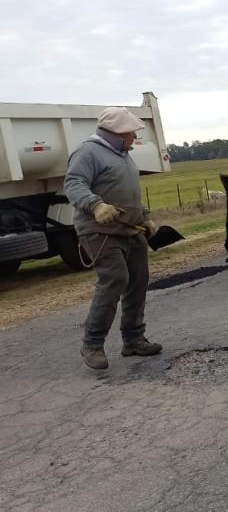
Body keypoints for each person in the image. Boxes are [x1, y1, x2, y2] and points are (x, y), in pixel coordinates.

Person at [64, 107, 162, 370]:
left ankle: (133, 340)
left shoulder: (123, 155)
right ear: (117, 132)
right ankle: (92, 344)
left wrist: (145, 217)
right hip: (99, 231)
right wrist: (96, 206)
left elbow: (129, 193)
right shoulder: (88, 152)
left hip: (130, 229)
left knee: (138, 279)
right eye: (131, 131)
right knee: (115, 279)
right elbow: (73, 184)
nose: (134, 136)